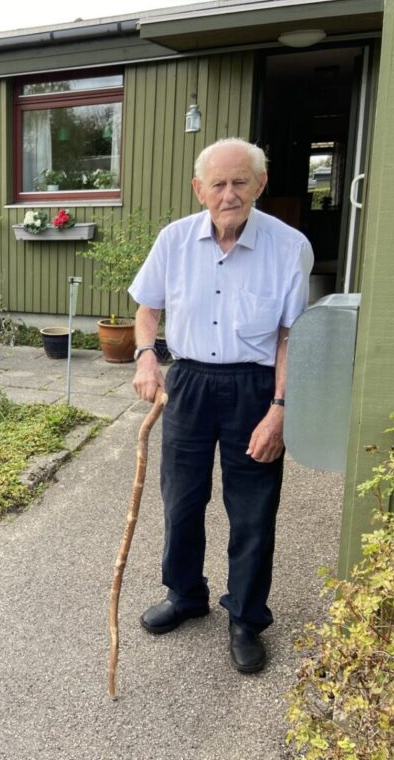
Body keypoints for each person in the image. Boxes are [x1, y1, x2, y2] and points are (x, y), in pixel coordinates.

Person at [127, 137, 311, 674]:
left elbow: (290, 337)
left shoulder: (289, 246)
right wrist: (145, 357)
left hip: (255, 387)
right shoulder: (174, 240)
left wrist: (280, 409)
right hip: (188, 382)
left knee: (252, 510)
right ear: (199, 189)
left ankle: (246, 617)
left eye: (240, 182)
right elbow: (147, 309)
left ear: (260, 184)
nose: (229, 194)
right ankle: (185, 594)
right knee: (181, 499)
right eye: (218, 184)